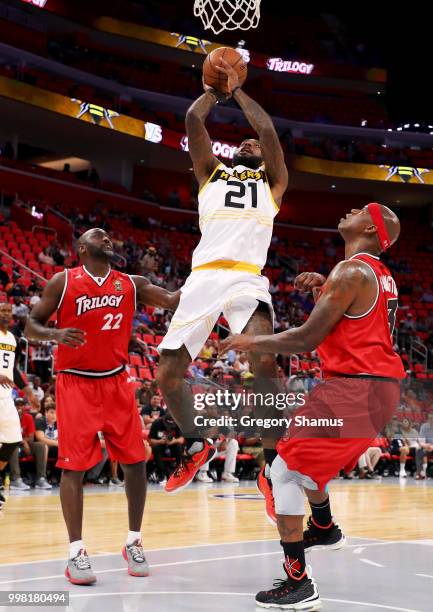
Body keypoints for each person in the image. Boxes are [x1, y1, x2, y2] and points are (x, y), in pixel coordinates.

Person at [221, 203, 404, 609]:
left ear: (372, 229)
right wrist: (326, 287)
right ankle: (323, 526)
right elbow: (359, 316)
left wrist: (251, 341)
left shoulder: (352, 271)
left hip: (356, 389)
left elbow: (305, 338)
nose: (351, 210)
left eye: (361, 211)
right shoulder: (376, 275)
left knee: (284, 471)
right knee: (304, 463)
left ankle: (298, 583)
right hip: (372, 388)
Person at [157, 57, 289, 495]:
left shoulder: (273, 183)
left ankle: (272, 467)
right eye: (245, 143)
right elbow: (194, 117)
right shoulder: (210, 174)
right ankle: (196, 443)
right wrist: (216, 91)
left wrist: (239, 89)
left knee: (265, 360)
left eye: (256, 144)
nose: (252, 143)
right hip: (204, 276)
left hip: (247, 279)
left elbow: (268, 131)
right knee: (166, 376)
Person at [25, 228, 180, 584]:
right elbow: (32, 325)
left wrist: (217, 274)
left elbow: (173, 300)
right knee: (73, 468)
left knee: (137, 461)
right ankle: (76, 552)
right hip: (75, 381)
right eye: (99, 237)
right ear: (81, 248)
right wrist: (54, 334)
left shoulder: (130, 282)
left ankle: (134, 541)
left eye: (109, 237)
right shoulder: (62, 282)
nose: (107, 239)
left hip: (115, 380)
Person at [0, 301, 39, 510]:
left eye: (8, 311)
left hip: (6, 397)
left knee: (13, 441)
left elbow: (13, 370)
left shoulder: (12, 339)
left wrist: (28, 392)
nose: (6, 314)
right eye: (2, 311)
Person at [9, 398, 52, 490]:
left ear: (25, 406)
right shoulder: (8, 417)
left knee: (40, 446)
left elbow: (31, 437)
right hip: (12, 444)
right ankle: (15, 480)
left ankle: (41, 478)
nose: (19, 407)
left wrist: (25, 442)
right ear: (13, 406)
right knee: (13, 447)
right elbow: (8, 436)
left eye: (22, 405)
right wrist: (22, 441)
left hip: (26, 444)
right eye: (17, 405)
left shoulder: (28, 417)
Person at [148, 413, 184, 484]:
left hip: (172, 445)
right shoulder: (157, 423)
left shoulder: (178, 423)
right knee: (156, 447)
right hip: (160, 445)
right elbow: (150, 440)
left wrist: (174, 441)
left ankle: (179, 472)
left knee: (179, 446)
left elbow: (182, 439)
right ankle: (162, 474)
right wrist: (160, 441)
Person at [416, 413, 433, 479]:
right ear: (428, 419)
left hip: (431, 447)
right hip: (427, 447)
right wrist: (425, 446)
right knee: (419, 451)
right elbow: (421, 441)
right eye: (430, 418)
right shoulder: (424, 427)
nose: (432, 420)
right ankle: (419, 473)